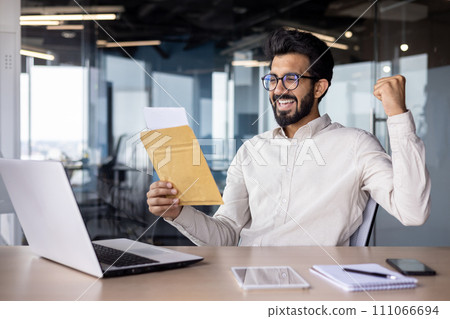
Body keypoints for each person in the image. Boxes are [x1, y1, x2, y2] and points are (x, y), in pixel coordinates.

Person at [146, 28, 431, 246]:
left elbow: (413, 212)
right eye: (273, 79)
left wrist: (397, 116)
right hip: (247, 284)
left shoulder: (356, 145)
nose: (279, 89)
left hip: (318, 287)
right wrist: (177, 213)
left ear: (319, 87)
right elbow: (227, 234)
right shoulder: (252, 150)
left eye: (291, 79)